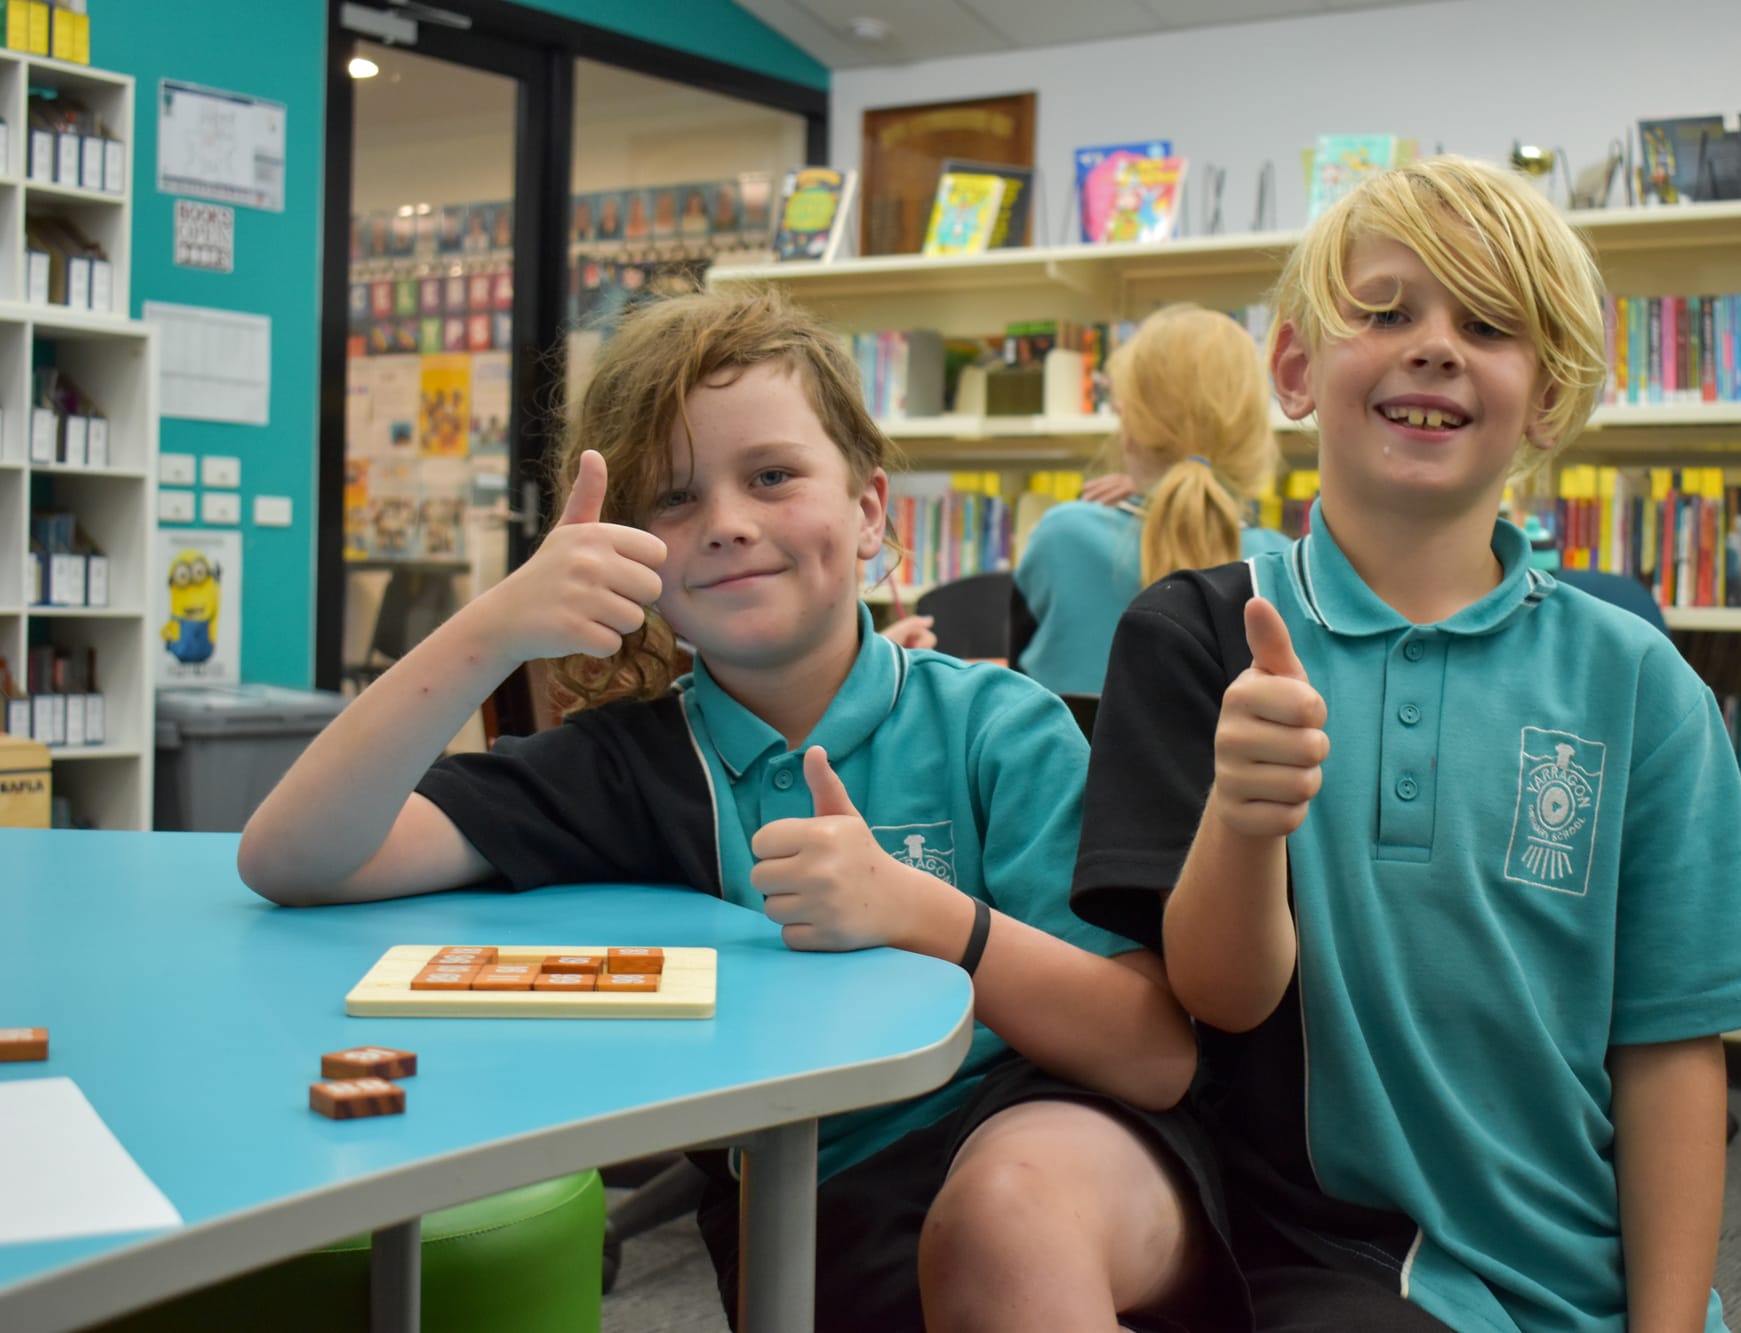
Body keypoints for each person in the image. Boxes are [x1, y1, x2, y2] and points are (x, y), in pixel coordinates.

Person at [238, 286, 1231, 1333]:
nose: (724, 523)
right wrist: (488, 629)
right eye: (671, 498)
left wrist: (922, 915)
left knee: (1006, 1219)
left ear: (868, 509)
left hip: (1057, 1136)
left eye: (771, 475)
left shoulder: (998, 727)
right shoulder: (625, 765)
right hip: (817, 1197)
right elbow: (295, 857)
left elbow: (1152, 1055)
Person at [1069, 156, 1741, 1332]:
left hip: (1594, 1276)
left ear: (1550, 397)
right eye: (1385, 310)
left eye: (1488, 323)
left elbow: (1669, 1054)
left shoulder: (1638, 686)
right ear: (1296, 368)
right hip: (1350, 1257)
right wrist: (1245, 815)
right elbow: (1214, 995)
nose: (1433, 345)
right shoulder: (1205, 640)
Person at [1011, 304, 1289, 696]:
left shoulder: (1062, 537)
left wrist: (1154, 498)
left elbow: (1017, 683)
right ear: (1255, 432)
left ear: (1130, 426)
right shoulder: (1280, 564)